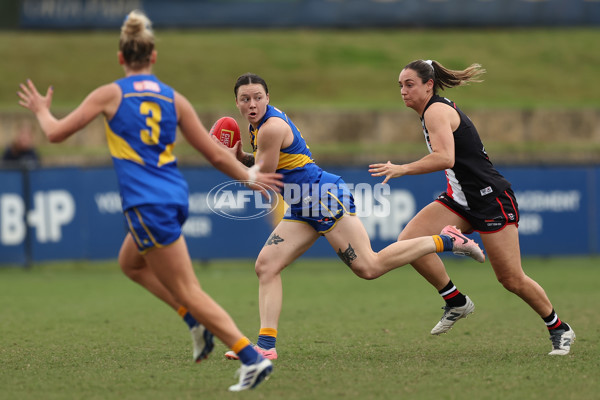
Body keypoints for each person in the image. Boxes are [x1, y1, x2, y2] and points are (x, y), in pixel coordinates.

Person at [17, 10, 282, 391]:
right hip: (172, 196)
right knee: (130, 263)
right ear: (153, 57)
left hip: (147, 203)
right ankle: (193, 322)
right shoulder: (173, 97)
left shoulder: (110, 93)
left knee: (188, 289)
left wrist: (42, 110)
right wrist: (249, 174)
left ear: (121, 58)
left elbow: (56, 134)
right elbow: (214, 152)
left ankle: (250, 357)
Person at [222, 72, 485, 361]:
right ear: (236, 103)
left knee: (369, 267)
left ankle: (446, 240)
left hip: (324, 198)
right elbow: (267, 164)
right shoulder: (258, 126)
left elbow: (264, 181)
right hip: (302, 204)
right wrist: (240, 156)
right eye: (245, 99)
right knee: (266, 266)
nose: (252, 104)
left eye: (258, 97)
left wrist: (223, 159)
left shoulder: (270, 127)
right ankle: (266, 346)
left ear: (268, 98)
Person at [369, 59, 575, 355]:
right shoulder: (431, 111)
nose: (403, 91)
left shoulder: (436, 111)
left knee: (511, 279)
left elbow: (445, 158)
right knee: (409, 244)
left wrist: (402, 169)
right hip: (460, 199)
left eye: (409, 84)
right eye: (400, 85)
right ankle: (455, 301)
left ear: (429, 85)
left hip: (490, 199)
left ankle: (559, 328)